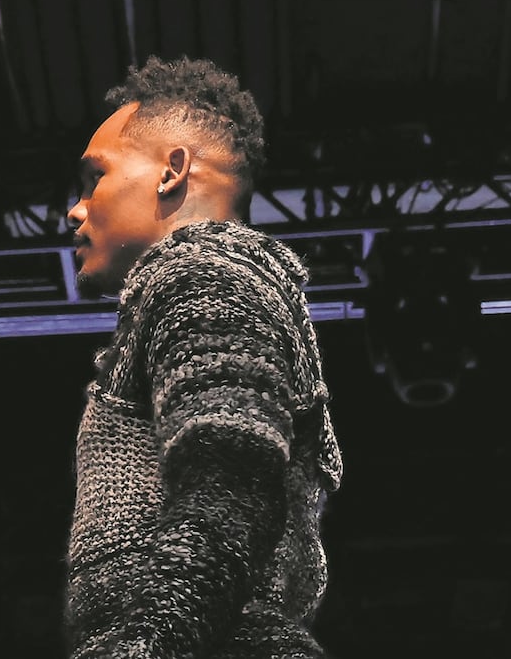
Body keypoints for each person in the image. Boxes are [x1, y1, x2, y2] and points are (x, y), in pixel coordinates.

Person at [63, 56, 344, 658]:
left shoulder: (202, 275)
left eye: (94, 179)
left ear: (172, 171)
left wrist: (142, 645)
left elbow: (234, 479)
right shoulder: (221, 284)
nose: (76, 209)